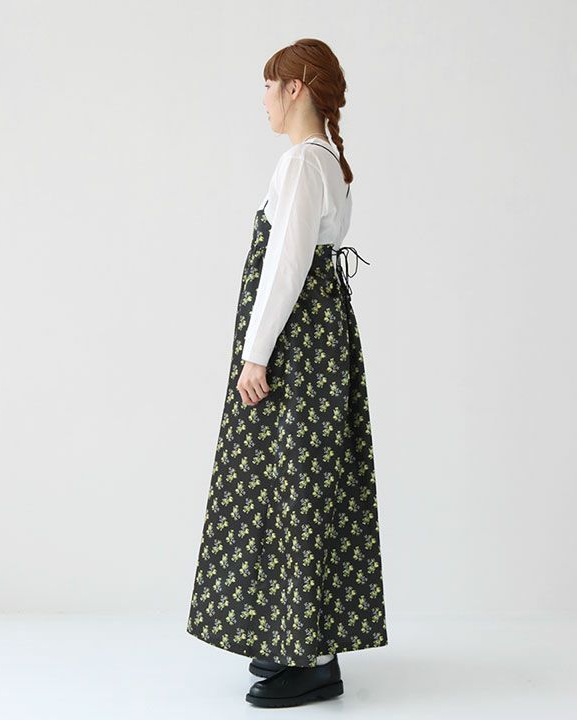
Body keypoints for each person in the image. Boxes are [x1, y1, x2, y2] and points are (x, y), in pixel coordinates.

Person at [186, 38, 388, 708]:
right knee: (307, 485)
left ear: (295, 87)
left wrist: (256, 352)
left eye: (270, 87)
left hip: (296, 346)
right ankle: (299, 639)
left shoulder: (303, 162)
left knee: (294, 487)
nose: (265, 101)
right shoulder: (324, 159)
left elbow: (286, 263)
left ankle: (313, 661)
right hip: (319, 342)